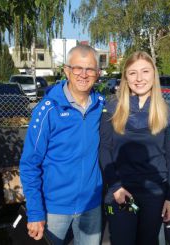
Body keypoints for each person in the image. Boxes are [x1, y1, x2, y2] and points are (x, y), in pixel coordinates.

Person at [19, 44, 105, 244]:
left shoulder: (102, 106)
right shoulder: (48, 110)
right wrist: (35, 212)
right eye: (77, 68)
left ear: (97, 73)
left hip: (91, 206)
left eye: (90, 69)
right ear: (66, 70)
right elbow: (30, 164)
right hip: (53, 208)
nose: (83, 74)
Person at [100, 51, 170, 245]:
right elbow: (104, 149)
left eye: (145, 71)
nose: (139, 78)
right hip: (120, 194)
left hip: (154, 194)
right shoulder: (112, 107)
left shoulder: (167, 112)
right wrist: (116, 187)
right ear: (125, 77)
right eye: (132, 72)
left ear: (154, 74)